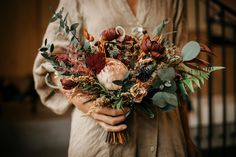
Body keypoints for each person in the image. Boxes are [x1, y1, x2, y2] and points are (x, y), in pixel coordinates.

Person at [33, 0, 201, 156]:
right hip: (100, 139)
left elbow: (179, 74)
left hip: (165, 137)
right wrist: (89, 105)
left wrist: (187, 138)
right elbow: (52, 61)